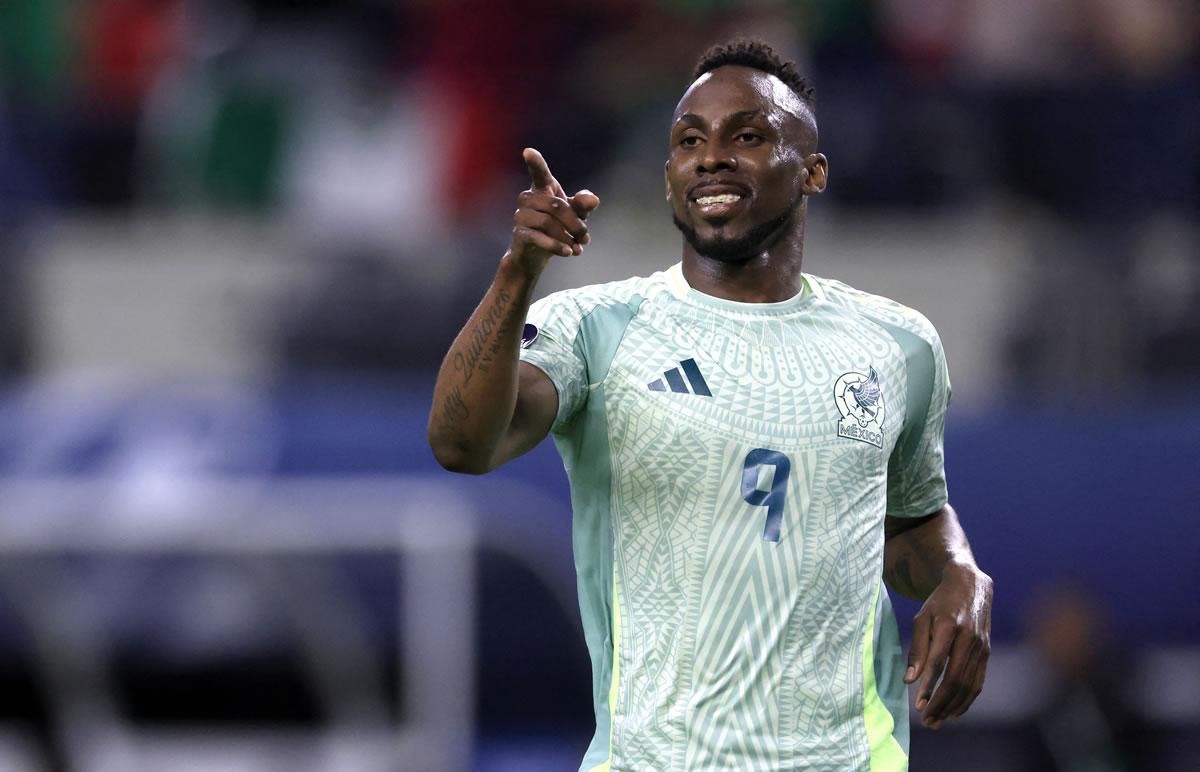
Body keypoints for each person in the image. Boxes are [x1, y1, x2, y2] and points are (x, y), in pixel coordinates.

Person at [428, 39, 993, 771]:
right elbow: (460, 445)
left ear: (813, 172)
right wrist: (517, 274)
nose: (712, 156)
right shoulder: (595, 328)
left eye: (748, 136)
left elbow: (910, 521)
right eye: (689, 141)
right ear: (669, 178)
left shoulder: (898, 343)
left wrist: (960, 573)